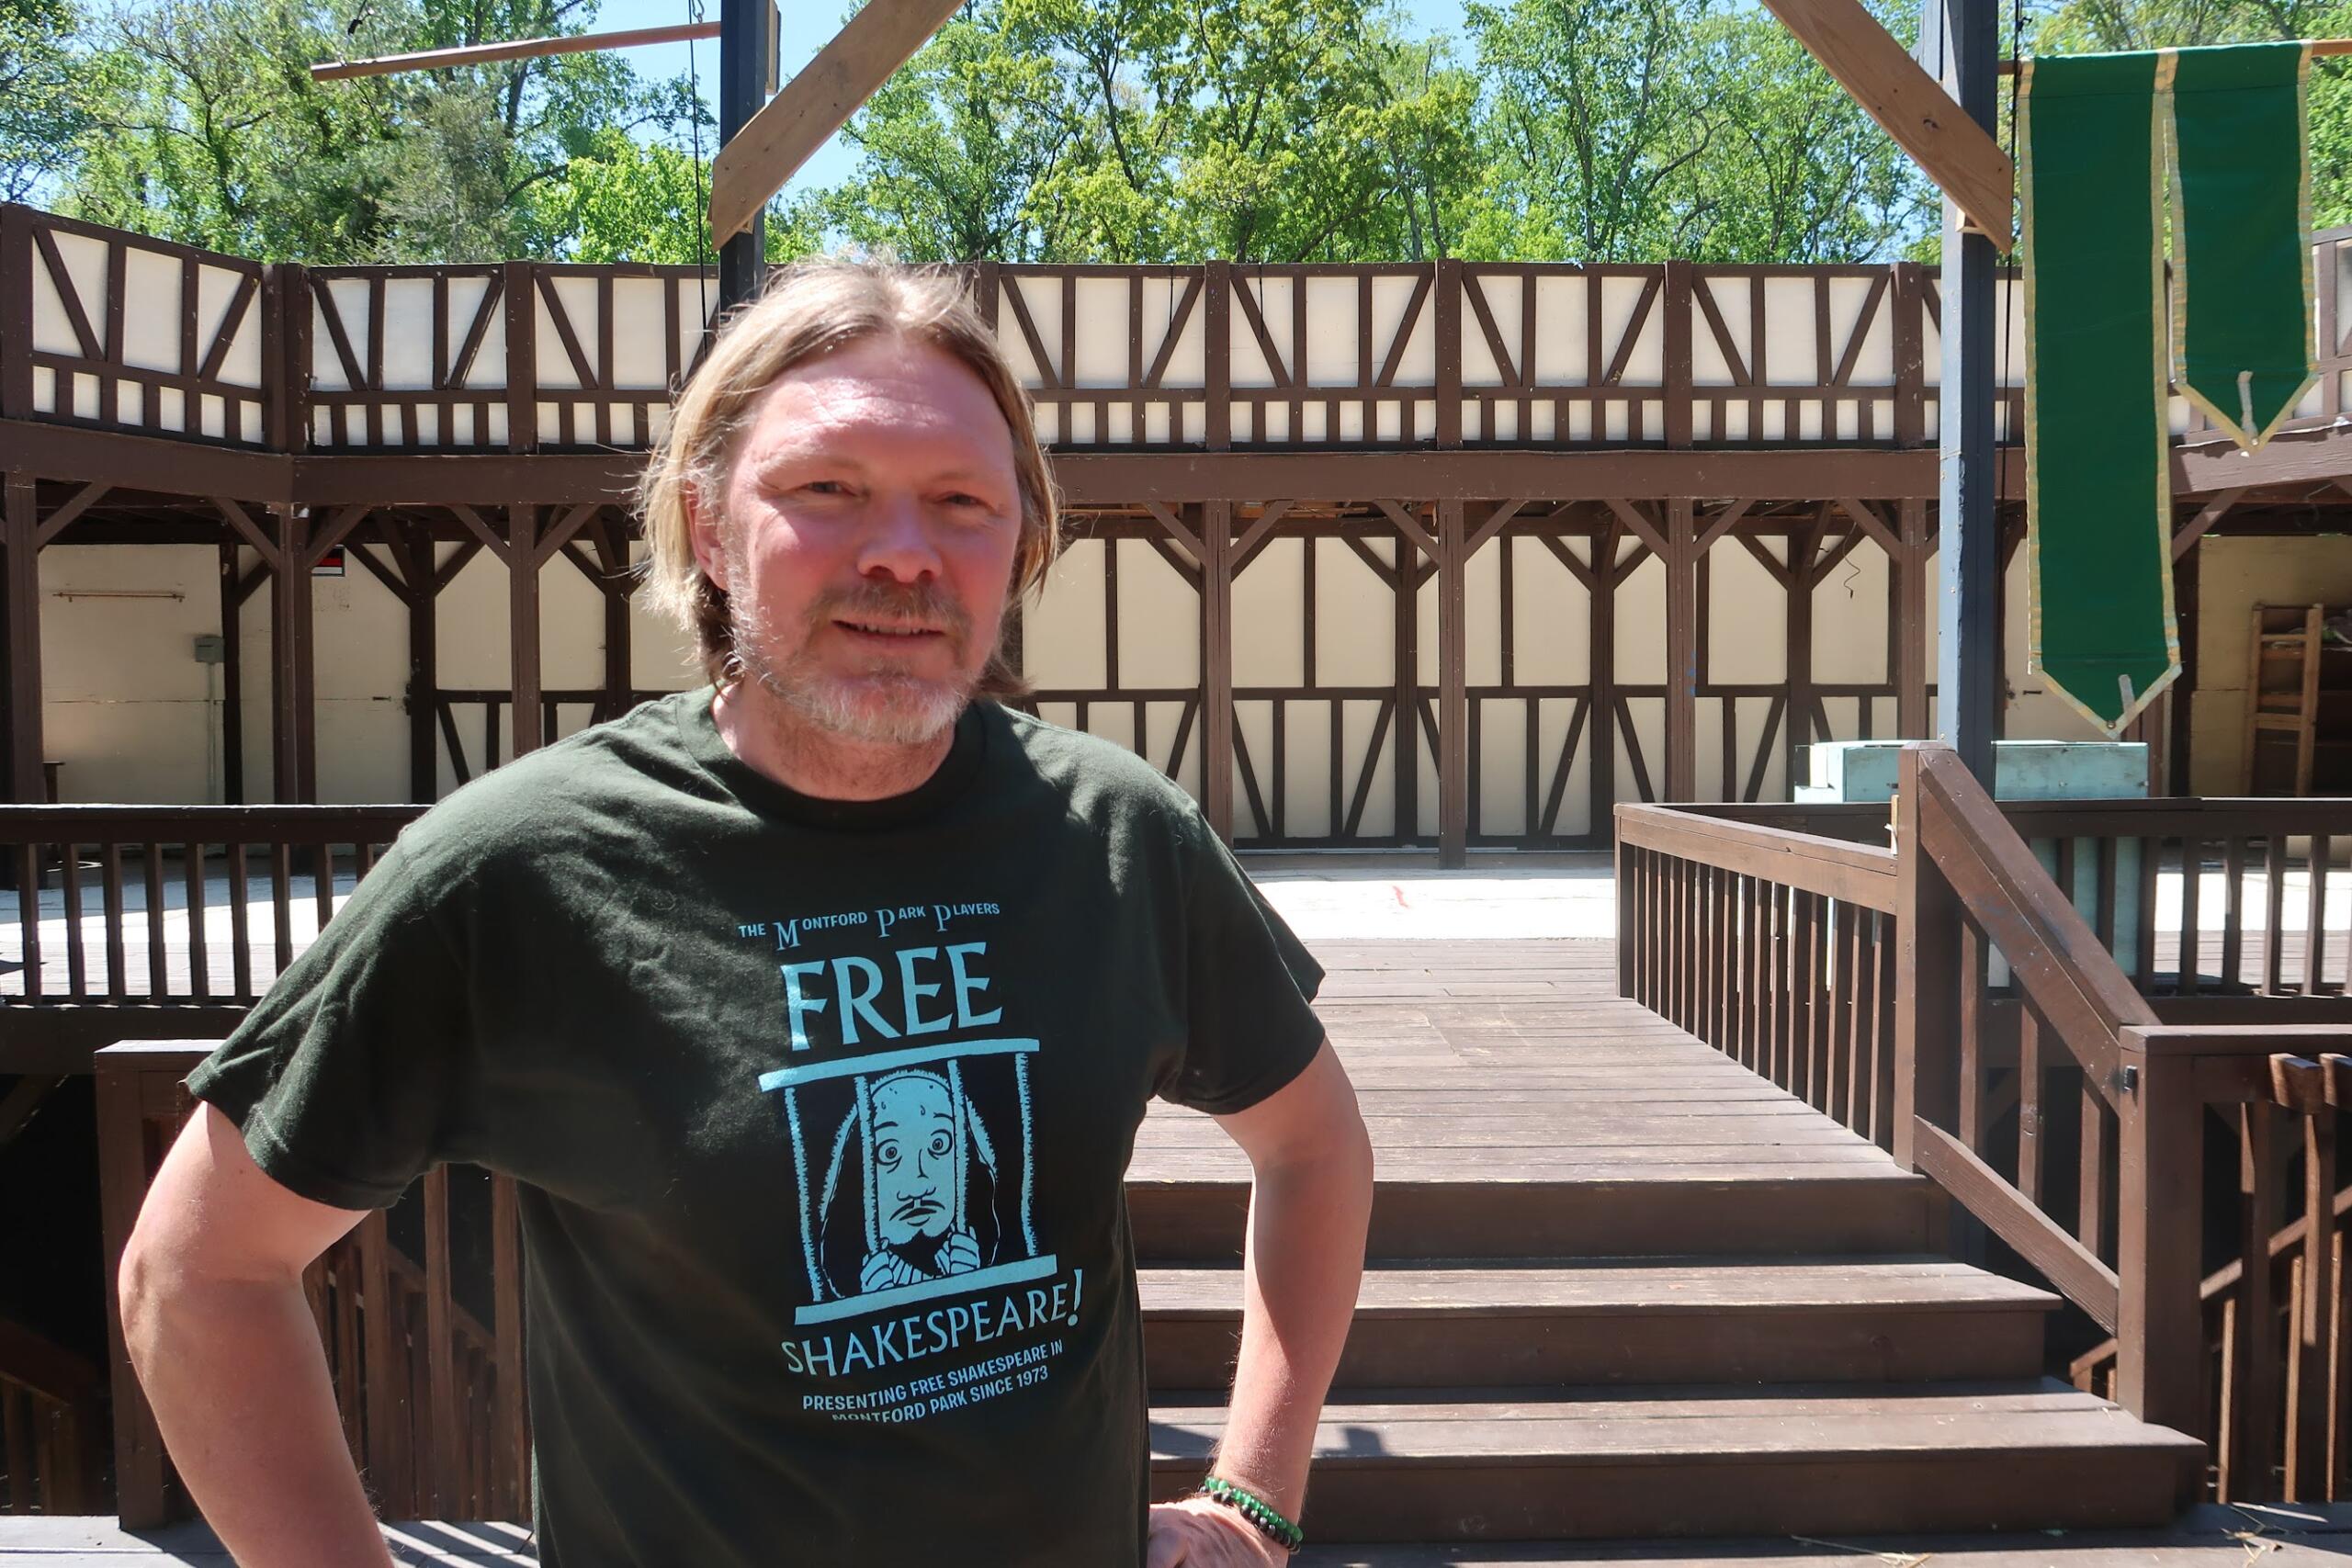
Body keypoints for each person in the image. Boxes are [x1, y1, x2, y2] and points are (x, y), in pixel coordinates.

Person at [117, 258, 1375, 1568]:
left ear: (1021, 547)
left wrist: (1256, 1497)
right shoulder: (521, 871)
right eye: (829, 492)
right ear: (708, 530)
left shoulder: (1118, 839)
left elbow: (1315, 1149)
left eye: (963, 504)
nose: (903, 553)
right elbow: (198, 1276)